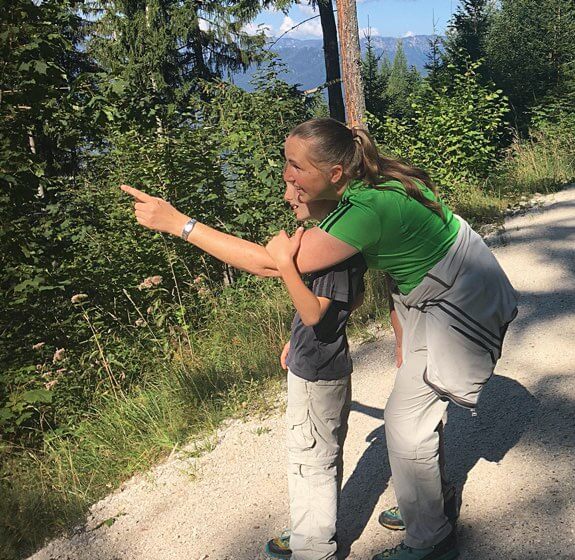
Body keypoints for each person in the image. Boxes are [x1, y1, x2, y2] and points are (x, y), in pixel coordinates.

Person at [121, 116, 518, 560]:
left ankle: (432, 539)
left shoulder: (365, 210)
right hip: (429, 290)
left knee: (406, 420)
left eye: (296, 166)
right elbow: (403, 258)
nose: (287, 177)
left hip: (459, 298)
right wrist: (402, 327)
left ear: (334, 174)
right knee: (416, 407)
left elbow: (272, 264)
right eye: (285, 163)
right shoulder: (371, 184)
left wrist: (179, 224)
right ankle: (428, 502)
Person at [263, 183, 366, 560]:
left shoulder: (330, 252)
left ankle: (314, 548)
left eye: (297, 188)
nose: (288, 196)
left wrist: (285, 262)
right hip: (327, 359)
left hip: (317, 371)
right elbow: (353, 299)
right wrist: (303, 334)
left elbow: (312, 310)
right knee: (317, 452)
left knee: (311, 459)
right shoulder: (346, 240)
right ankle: (310, 529)